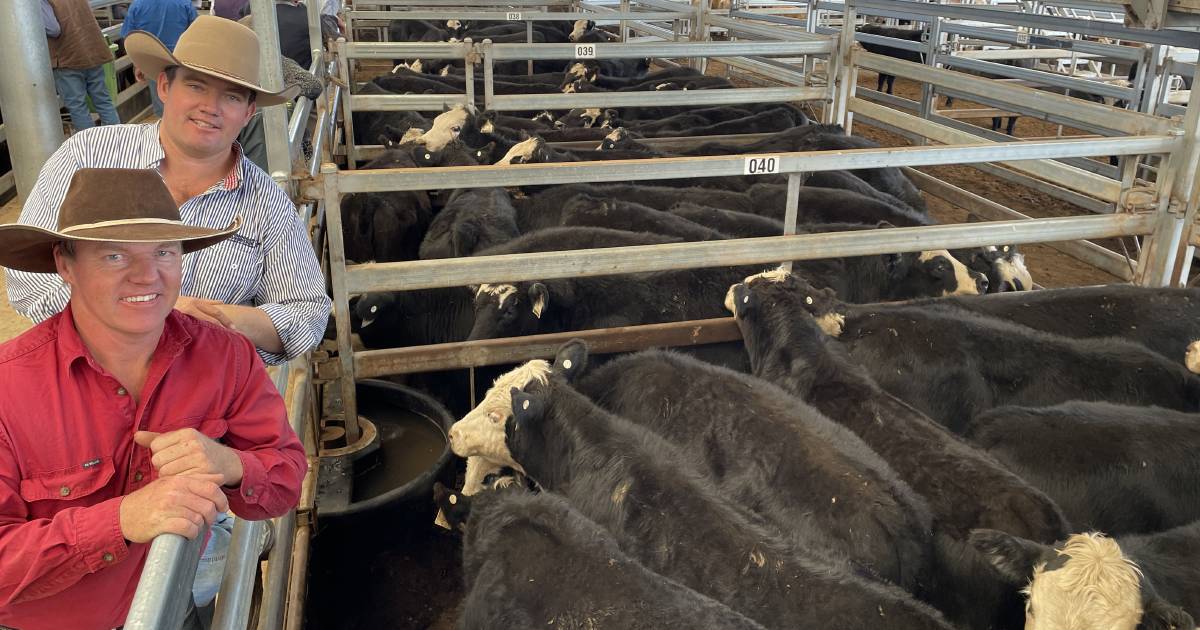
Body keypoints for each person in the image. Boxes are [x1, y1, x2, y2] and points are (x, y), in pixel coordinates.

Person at [0, 167, 308, 630]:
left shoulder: (226, 355)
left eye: (164, 251)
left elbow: (285, 478)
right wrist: (123, 518)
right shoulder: (9, 388)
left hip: (173, 600)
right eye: (114, 256)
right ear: (65, 264)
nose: (148, 276)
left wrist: (230, 463)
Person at [7, 15, 331, 366]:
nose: (210, 107)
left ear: (249, 112)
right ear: (164, 87)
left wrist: (219, 319)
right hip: (85, 372)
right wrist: (160, 311)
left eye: (232, 97)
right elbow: (28, 282)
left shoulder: (265, 200)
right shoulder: (86, 155)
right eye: (195, 86)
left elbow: (308, 313)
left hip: (198, 389)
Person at [47, 0, 122, 131]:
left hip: (67, 56)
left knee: (78, 107)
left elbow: (53, 29)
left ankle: (89, 147)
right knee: (103, 101)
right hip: (91, 50)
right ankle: (119, 141)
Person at [120, 0, 197, 116]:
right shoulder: (184, 3)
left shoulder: (138, 5)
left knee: (161, 100)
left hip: (153, 60)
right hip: (180, 58)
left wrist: (139, 64)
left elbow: (130, 37)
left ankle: (163, 129)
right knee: (184, 96)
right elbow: (196, 30)